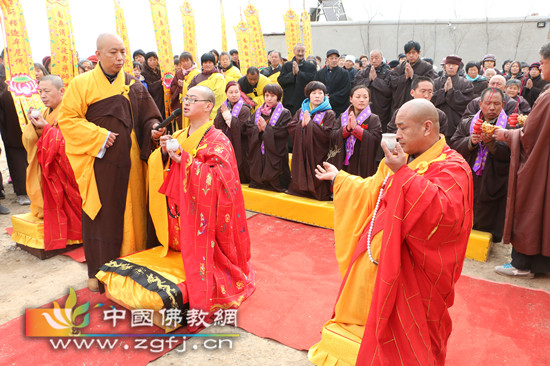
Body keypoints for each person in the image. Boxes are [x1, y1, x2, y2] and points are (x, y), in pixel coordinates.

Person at [309, 98, 473, 366]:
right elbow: (373, 190)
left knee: (414, 331)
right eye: (395, 128)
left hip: (416, 268)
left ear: (427, 128)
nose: (396, 135)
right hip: (381, 257)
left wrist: (403, 174)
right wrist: (340, 178)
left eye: (402, 128)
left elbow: (447, 216)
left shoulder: (453, 166)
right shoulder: (398, 158)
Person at [58, 33, 162, 292]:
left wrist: (153, 129)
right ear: (99, 54)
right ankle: (103, 271)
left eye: (123, 52)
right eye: (113, 52)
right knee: (104, 215)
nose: (120, 58)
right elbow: (68, 120)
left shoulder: (133, 85)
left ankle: (136, 265)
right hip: (102, 165)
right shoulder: (81, 84)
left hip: (134, 165)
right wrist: (99, 135)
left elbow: (148, 117)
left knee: (136, 211)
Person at [149, 85, 255, 330]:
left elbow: (222, 180)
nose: (186, 103)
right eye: (185, 98)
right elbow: (170, 165)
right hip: (183, 207)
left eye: (193, 99)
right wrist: (166, 152)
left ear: (208, 106)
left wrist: (184, 161)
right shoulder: (183, 133)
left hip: (206, 215)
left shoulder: (219, 140)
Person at [493, 42, 550, 277]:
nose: (541, 67)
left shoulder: (547, 97)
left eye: (543, 62)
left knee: (532, 208)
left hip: (541, 166)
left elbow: (529, 139)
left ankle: (522, 264)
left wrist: (506, 134)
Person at [22, 75, 82, 249]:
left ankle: (76, 233)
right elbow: (33, 139)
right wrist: (35, 126)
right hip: (51, 164)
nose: (42, 96)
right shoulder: (47, 112)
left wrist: (46, 128)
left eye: (46, 91)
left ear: (61, 91)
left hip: (68, 165)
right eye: (40, 91)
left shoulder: (70, 110)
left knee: (72, 201)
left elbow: (72, 139)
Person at [451, 88, 511, 243]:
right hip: (469, 171)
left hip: (494, 174)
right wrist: (471, 141)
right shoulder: (467, 123)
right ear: (480, 104)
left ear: (503, 104)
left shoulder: (510, 126)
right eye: (488, 103)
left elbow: (513, 153)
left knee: (490, 207)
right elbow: (455, 145)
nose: (492, 108)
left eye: (497, 104)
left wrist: (491, 143)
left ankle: (489, 235)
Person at [287, 81, 338, 201]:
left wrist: (310, 125)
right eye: (314, 93)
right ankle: (301, 189)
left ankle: (316, 192)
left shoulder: (329, 113)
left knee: (317, 171)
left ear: (325, 96)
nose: (317, 96)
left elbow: (328, 134)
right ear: (308, 95)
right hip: (302, 149)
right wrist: (301, 125)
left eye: (320, 93)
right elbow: (291, 126)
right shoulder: (301, 110)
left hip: (318, 151)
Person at [247, 83, 292, 191]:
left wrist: (267, 129)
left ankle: (274, 183)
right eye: (267, 95)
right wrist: (257, 129)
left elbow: (283, 131)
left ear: (278, 97)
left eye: (272, 96)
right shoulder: (258, 111)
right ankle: (259, 181)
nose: (269, 99)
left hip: (275, 148)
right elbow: (248, 127)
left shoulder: (285, 113)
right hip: (259, 147)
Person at [331, 85, 382, 178]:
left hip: (362, 159)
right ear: (351, 99)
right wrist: (347, 129)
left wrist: (357, 129)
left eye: (365, 97)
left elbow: (375, 139)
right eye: (358, 97)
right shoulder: (343, 116)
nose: (362, 100)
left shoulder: (373, 118)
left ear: (369, 99)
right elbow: (333, 136)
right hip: (343, 157)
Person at [0, 67, 30, 206]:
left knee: (18, 163)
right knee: (22, 163)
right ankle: (24, 192)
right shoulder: (9, 92)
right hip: (21, 134)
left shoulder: (7, 92)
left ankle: (23, 193)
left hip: (13, 135)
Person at [213, 81, 252, 183]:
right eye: (231, 92)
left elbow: (242, 128)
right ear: (226, 93)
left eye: (236, 92)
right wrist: (223, 114)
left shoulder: (245, 109)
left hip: (240, 142)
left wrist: (226, 114)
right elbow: (217, 125)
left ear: (240, 92)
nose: (234, 95)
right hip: (226, 141)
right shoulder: (222, 107)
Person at [432, 55, 475, 139]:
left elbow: (466, 102)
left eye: (454, 65)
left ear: (458, 67)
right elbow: (431, 99)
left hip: (456, 124)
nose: (451, 67)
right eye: (448, 65)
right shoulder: (435, 82)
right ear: (445, 66)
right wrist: (443, 91)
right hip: (437, 122)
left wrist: (451, 92)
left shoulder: (466, 84)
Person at [389, 40, 437, 115]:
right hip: (401, 104)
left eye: (413, 53)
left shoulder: (427, 67)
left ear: (419, 53)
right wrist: (405, 77)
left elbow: (429, 82)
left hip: (419, 106)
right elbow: (392, 81)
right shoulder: (400, 67)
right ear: (405, 54)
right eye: (409, 53)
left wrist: (413, 76)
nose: (411, 55)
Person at [354, 50, 393, 131]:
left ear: (381, 59)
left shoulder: (388, 73)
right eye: (372, 58)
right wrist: (369, 79)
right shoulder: (363, 72)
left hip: (382, 108)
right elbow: (357, 86)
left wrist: (375, 80)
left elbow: (389, 90)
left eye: (376, 58)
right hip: (365, 106)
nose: (374, 60)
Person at [278, 43, 317, 115]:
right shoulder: (287, 65)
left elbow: (313, 81)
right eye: (298, 51)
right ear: (294, 51)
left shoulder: (310, 66)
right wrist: (292, 74)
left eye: (302, 51)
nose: (300, 53)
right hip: (289, 101)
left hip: (305, 101)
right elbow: (281, 80)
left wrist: (299, 73)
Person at [189, 53, 226, 120]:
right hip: (198, 111)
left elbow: (218, 94)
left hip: (214, 112)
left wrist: (203, 102)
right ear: (202, 64)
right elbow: (190, 90)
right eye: (205, 62)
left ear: (214, 64)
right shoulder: (197, 77)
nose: (207, 65)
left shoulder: (219, 77)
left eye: (210, 62)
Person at [314, 49, 351, 116]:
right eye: (331, 58)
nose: (334, 60)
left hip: (339, 107)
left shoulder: (344, 73)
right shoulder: (320, 73)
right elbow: (316, 86)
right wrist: (322, 96)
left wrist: (331, 98)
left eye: (336, 58)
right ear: (327, 59)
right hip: (322, 104)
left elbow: (345, 90)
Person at [141, 51, 165, 118]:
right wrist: (161, 82)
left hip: (162, 97)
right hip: (153, 99)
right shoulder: (144, 73)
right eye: (150, 60)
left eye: (154, 59)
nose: (152, 62)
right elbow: (150, 87)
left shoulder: (159, 70)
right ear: (146, 61)